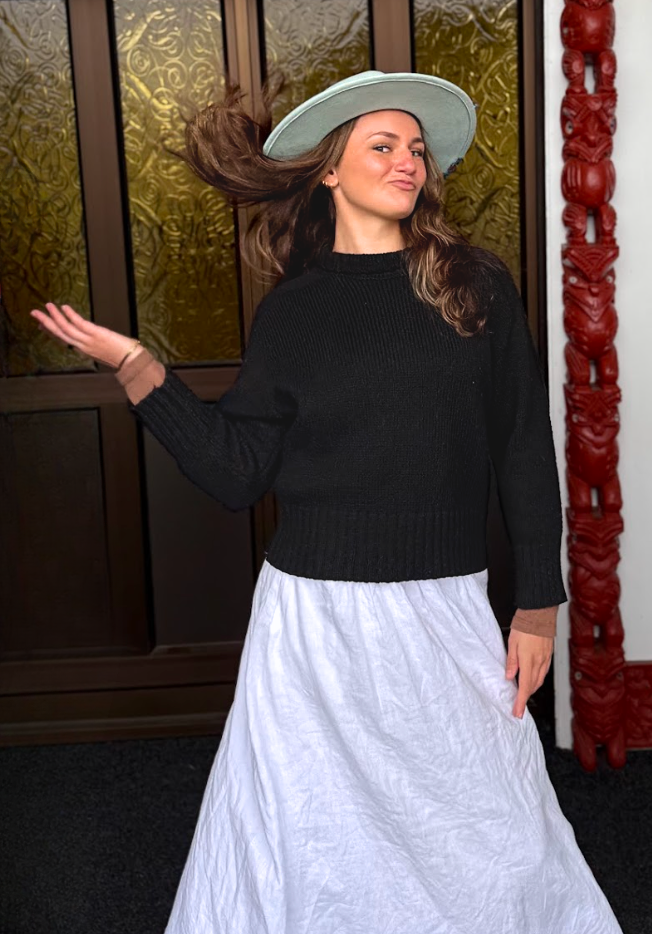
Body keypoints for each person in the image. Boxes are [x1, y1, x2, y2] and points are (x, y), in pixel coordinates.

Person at [31, 71, 622, 934]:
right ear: (330, 172)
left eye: (416, 148)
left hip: (441, 604)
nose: (408, 161)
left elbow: (525, 447)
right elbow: (238, 472)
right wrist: (139, 373)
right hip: (310, 620)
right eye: (383, 145)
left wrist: (539, 602)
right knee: (309, 828)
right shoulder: (293, 316)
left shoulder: (474, 287)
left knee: (488, 822)